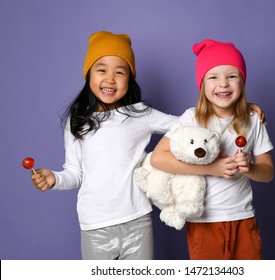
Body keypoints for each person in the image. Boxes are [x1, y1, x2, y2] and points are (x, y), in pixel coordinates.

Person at [30, 31, 178, 260]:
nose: (110, 79)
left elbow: (187, 126)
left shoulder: (140, 114)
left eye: (120, 72)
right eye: (102, 70)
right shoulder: (77, 121)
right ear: (89, 74)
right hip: (94, 227)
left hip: (137, 222)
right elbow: (75, 173)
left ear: (129, 79)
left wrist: (238, 110)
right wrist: (55, 179)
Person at [150, 39, 274, 260]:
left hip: (243, 218)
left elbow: (268, 172)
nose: (223, 84)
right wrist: (211, 168)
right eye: (213, 77)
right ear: (202, 84)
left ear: (242, 82)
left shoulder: (253, 119)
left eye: (232, 76)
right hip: (204, 222)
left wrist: (250, 168)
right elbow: (158, 159)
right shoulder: (192, 118)